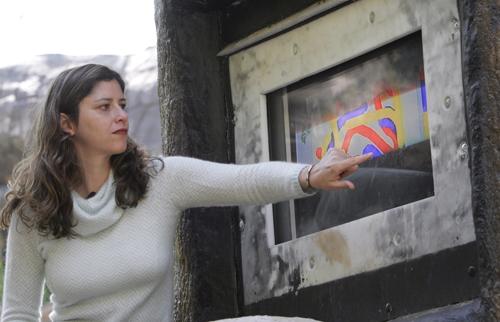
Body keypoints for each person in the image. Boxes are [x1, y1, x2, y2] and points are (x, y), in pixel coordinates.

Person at [0, 64, 371, 321]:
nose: (121, 116)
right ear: (67, 124)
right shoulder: (36, 210)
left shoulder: (157, 180)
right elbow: (17, 313)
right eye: (104, 107)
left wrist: (308, 175)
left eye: (123, 105)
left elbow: (241, 180)